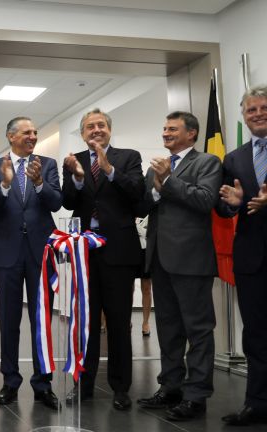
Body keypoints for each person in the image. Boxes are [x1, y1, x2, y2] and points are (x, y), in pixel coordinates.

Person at [136, 111, 221, 422]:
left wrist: (168, 181)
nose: (166, 133)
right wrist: (156, 187)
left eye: (173, 129)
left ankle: (196, 395)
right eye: (164, 128)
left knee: (198, 331)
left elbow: (204, 200)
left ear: (192, 134)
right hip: (160, 258)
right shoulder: (156, 167)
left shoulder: (207, 163)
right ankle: (171, 387)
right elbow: (144, 205)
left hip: (191, 260)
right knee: (168, 329)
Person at [61, 108, 145, 410]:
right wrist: (79, 179)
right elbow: (68, 201)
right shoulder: (74, 161)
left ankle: (121, 388)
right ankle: (83, 385)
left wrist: (109, 168)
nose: (95, 130)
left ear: (109, 129)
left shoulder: (128, 157)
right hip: (85, 253)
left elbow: (137, 194)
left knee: (120, 323)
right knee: (85, 323)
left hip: (119, 251)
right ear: (83, 133)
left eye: (100, 125)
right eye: (89, 127)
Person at [0, 116, 61, 410]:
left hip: (41, 251)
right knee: (9, 320)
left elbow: (57, 202)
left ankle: (43, 383)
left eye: (35, 133)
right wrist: (4, 184)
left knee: (41, 320)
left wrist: (40, 183)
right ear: (10, 136)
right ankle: (10, 382)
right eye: (27, 132)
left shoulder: (47, 164)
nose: (33, 136)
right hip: (6, 252)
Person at [217, 86, 267, 426]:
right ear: (244, 117)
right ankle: (257, 404)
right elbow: (222, 205)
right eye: (251, 110)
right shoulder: (234, 157)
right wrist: (231, 204)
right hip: (252, 259)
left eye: (264, 108)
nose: (258, 114)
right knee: (256, 336)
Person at [135, 216, 152, 337]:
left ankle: (145, 323)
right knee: (127, 288)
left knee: (146, 287)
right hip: (130, 249)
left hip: (146, 251)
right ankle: (126, 321)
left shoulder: (149, 204)